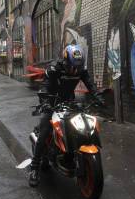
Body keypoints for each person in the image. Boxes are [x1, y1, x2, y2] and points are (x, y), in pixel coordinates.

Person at [29, 44, 103, 187]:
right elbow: (45, 87)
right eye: (72, 66)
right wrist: (45, 102)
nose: (75, 70)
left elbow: (90, 85)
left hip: (69, 101)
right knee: (44, 130)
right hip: (50, 101)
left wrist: (98, 97)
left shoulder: (80, 69)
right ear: (65, 61)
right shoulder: (54, 68)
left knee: (79, 126)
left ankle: (71, 154)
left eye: (78, 67)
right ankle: (34, 168)